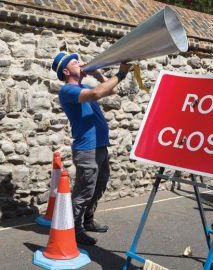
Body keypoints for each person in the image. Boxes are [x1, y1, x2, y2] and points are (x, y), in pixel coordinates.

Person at [51, 52, 131, 245]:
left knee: (99, 186)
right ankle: (74, 229)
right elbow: (96, 93)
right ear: (66, 70)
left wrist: (97, 74)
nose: (80, 64)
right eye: (75, 62)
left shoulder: (83, 86)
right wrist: (120, 74)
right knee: (84, 191)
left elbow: (109, 91)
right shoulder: (67, 90)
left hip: (100, 146)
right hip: (86, 149)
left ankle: (87, 220)